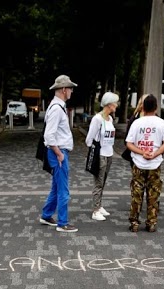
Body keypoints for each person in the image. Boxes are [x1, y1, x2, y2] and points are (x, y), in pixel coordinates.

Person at [125, 95, 164, 233]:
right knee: (153, 194)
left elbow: (129, 143)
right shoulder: (162, 123)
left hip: (138, 163)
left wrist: (141, 152)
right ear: (156, 107)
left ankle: (134, 222)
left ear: (143, 107)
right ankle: (151, 222)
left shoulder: (137, 123)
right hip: (155, 164)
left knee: (136, 193)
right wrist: (155, 153)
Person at [38, 75, 79, 233]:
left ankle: (47, 214)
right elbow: (49, 136)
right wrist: (59, 154)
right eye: (70, 88)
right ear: (63, 89)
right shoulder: (56, 109)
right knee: (63, 189)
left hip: (58, 151)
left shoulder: (56, 106)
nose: (71, 91)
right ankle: (63, 223)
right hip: (58, 152)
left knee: (57, 187)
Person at [86, 92, 119, 221]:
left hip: (109, 153)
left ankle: (99, 206)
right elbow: (89, 139)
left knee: (103, 181)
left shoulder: (110, 119)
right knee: (98, 182)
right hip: (100, 155)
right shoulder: (97, 119)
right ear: (109, 104)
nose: (116, 105)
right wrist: (94, 152)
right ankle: (95, 210)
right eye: (115, 103)